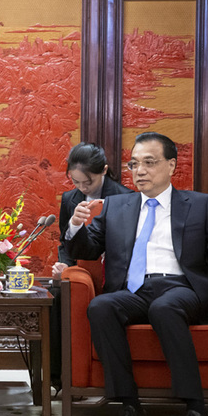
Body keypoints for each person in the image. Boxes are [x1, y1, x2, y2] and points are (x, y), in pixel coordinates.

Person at [62, 132, 208, 416]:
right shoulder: (116, 206)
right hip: (135, 289)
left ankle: (197, 413)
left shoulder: (198, 205)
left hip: (182, 287)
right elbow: (89, 251)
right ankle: (131, 409)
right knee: (101, 307)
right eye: (134, 164)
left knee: (165, 307)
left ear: (171, 165)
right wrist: (76, 227)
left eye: (150, 162)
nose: (140, 171)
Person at [50, 143, 133, 392]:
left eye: (88, 182)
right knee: (55, 298)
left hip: (112, 275)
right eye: (76, 182)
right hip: (79, 274)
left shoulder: (124, 198)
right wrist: (65, 265)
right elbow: (66, 240)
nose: (82, 188)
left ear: (104, 170)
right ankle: (58, 379)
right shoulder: (69, 199)